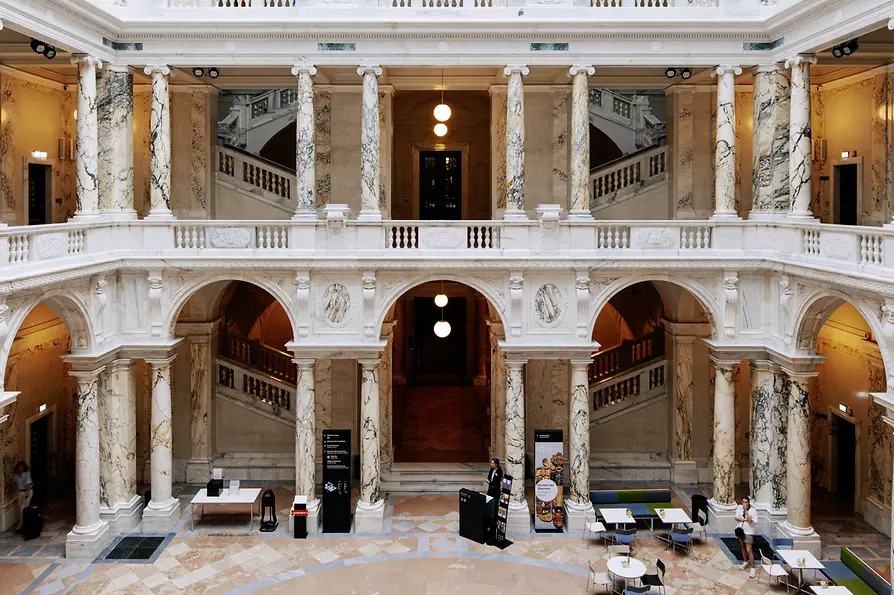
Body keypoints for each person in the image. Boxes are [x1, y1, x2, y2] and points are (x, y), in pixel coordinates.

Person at [735, 495, 757, 578]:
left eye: (746, 502)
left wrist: (746, 512)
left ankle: (753, 568)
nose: (744, 504)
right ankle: (745, 561)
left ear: (749, 503)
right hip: (741, 530)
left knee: (749, 550)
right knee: (742, 546)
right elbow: (736, 518)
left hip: (749, 532)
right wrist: (744, 519)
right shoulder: (739, 508)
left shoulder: (753, 511)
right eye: (743, 502)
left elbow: (750, 521)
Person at [13, 461, 32, 532]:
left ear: (24, 468)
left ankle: (21, 525)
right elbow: (15, 484)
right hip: (20, 492)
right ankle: (25, 523)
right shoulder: (15, 475)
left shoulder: (27, 474)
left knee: (23, 508)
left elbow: (28, 485)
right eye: (19, 468)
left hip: (27, 491)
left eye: (22, 467)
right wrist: (14, 491)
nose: (20, 469)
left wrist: (27, 493)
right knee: (20, 507)